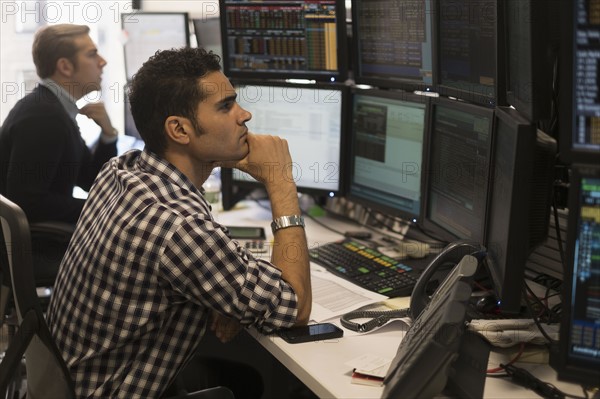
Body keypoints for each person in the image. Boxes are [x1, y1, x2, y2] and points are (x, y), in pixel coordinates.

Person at [47, 46, 312, 398]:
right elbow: (295, 307)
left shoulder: (122, 170)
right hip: (112, 391)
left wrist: (226, 297)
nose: (244, 114)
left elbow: (179, 260)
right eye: (225, 106)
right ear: (180, 130)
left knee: (244, 378)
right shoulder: (178, 228)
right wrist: (280, 182)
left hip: (72, 381)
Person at [0, 24, 118, 288]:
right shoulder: (44, 117)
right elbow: (28, 201)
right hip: (38, 248)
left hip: (43, 240)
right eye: (92, 54)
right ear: (65, 66)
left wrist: (108, 134)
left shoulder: (54, 109)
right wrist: (102, 210)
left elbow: (90, 180)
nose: (103, 61)